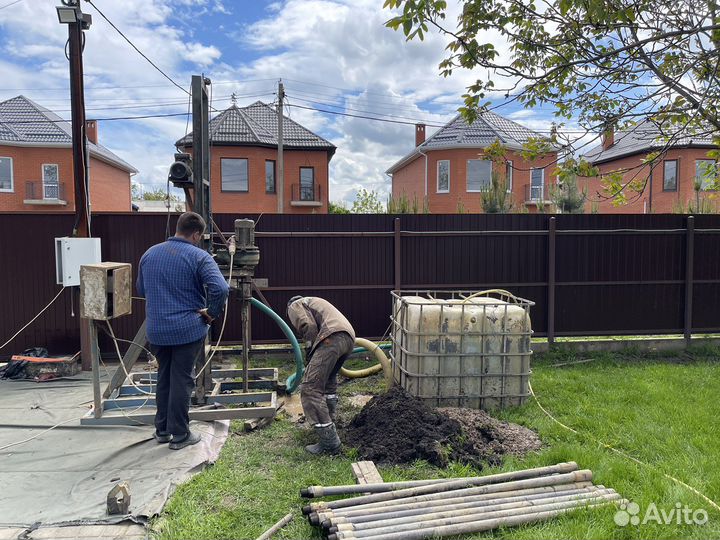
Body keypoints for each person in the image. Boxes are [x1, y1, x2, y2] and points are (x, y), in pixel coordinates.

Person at [137, 212, 229, 450]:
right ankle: (180, 435)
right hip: (186, 330)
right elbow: (221, 288)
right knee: (181, 379)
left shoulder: (149, 254)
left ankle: (162, 430)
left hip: (156, 330)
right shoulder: (199, 256)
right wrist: (212, 313)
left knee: (164, 377)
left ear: (178, 228)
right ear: (197, 234)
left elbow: (141, 289)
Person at [287, 296, 355, 454]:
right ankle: (330, 419)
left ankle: (329, 442)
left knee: (310, 388)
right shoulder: (313, 301)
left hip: (331, 337)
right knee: (328, 380)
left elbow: (308, 326)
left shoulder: (295, 305)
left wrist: (310, 353)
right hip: (348, 337)